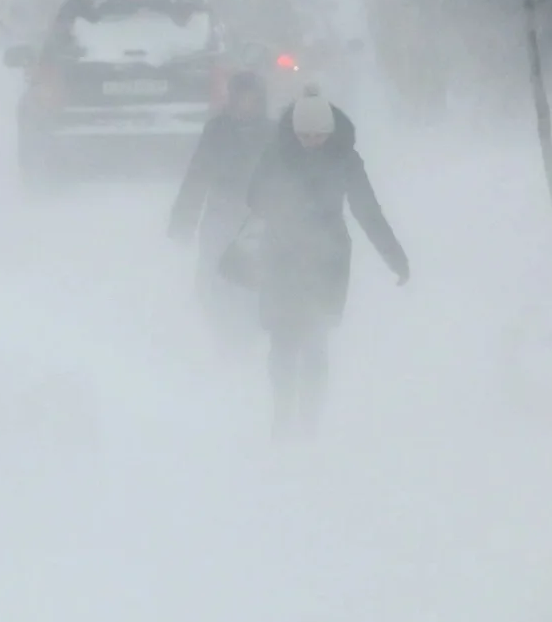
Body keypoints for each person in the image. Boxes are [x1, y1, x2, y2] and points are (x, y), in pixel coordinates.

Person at [242, 83, 408, 437]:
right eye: (305, 135)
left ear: (330, 133)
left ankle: (310, 422)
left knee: (316, 340)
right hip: (281, 255)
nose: (312, 141)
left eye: (319, 135)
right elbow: (254, 198)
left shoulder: (345, 157)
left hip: (328, 259)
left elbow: (368, 211)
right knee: (283, 340)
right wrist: (282, 204)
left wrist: (394, 256)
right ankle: (282, 414)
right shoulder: (276, 153)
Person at [170, 70, 276, 338]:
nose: (246, 105)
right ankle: (222, 331)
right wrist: (184, 219)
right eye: (241, 99)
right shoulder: (217, 131)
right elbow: (197, 175)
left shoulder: (274, 134)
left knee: (253, 277)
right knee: (212, 277)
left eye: (252, 99)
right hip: (220, 214)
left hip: (258, 219)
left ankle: (252, 332)